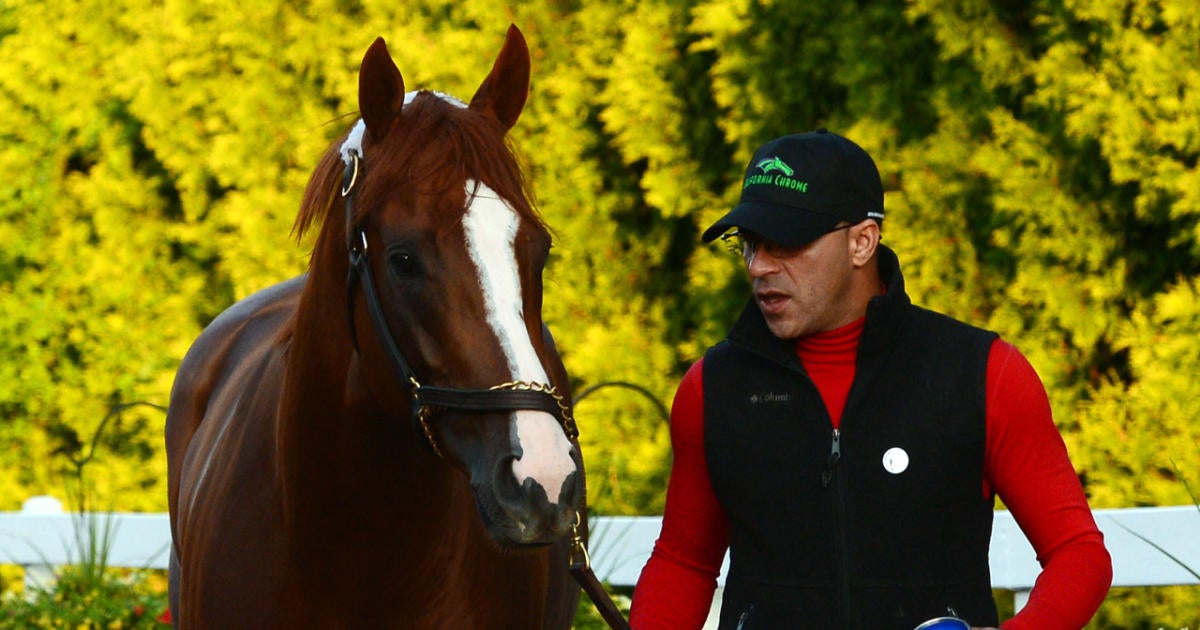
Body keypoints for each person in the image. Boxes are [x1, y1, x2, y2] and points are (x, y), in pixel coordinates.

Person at [628, 130, 1112, 629]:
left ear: (862, 241)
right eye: (749, 244)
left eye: (786, 242)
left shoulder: (984, 372)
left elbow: (1078, 553)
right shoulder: (713, 387)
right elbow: (683, 564)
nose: (760, 267)